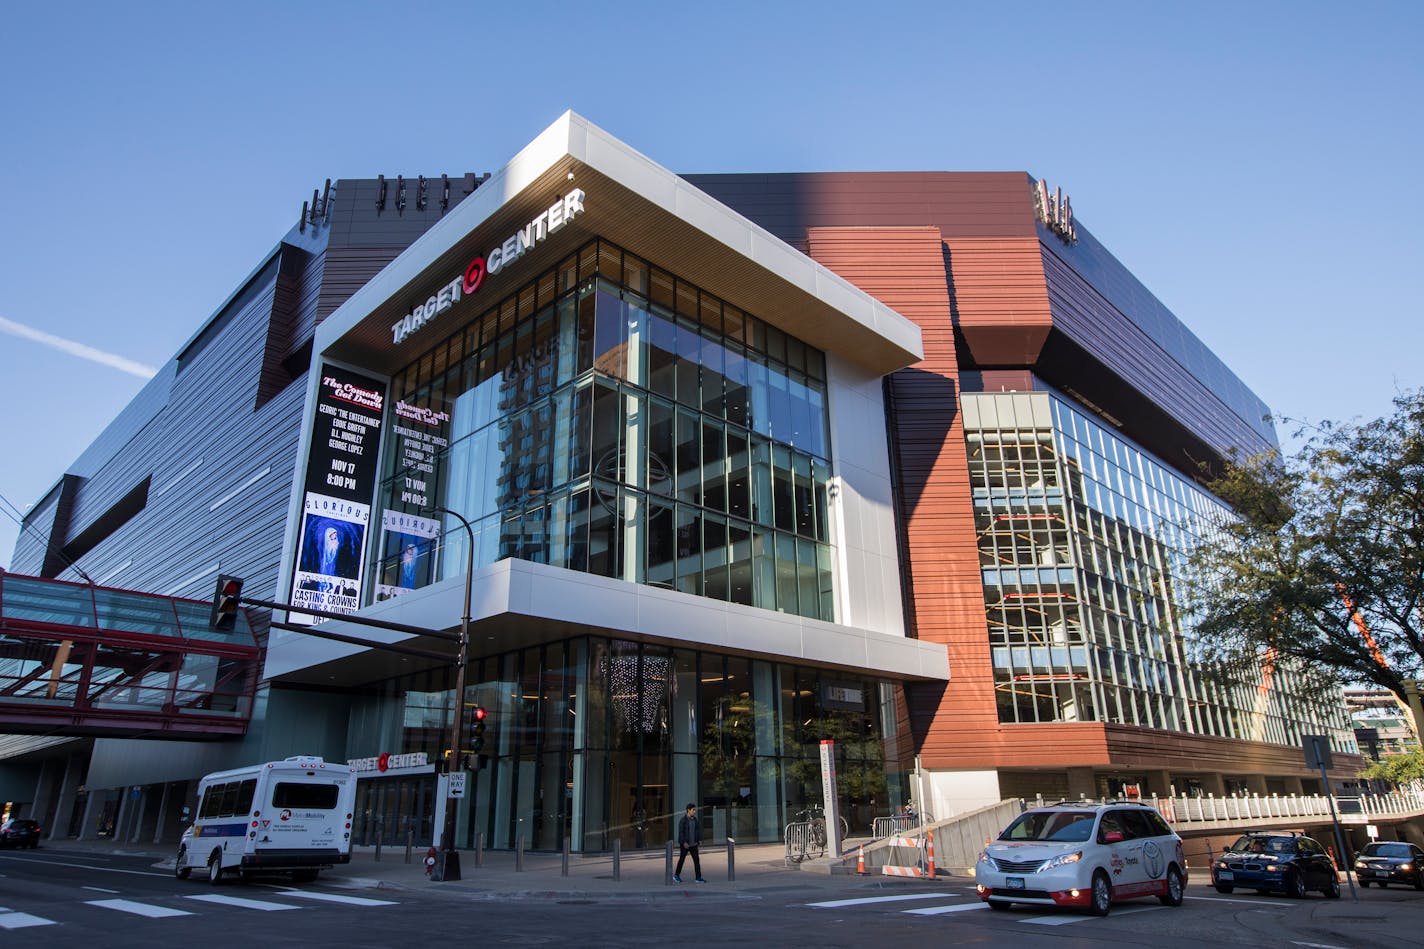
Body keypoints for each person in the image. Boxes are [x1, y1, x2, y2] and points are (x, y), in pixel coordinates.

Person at [673, 802, 706, 884]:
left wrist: (699, 840)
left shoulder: (695, 820)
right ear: (688, 810)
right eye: (693, 810)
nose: (694, 812)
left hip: (694, 845)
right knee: (682, 860)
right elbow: (681, 833)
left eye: (695, 810)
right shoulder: (683, 820)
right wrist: (684, 842)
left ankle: (698, 878)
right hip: (686, 844)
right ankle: (676, 875)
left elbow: (697, 831)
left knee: (697, 861)